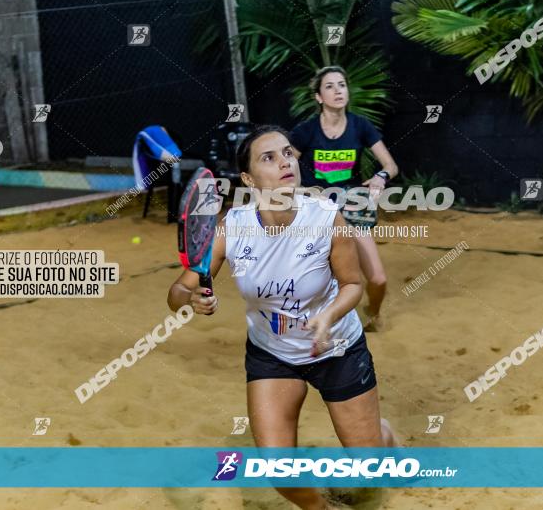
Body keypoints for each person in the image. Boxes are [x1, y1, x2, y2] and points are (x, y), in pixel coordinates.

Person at [167, 125, 398, 510]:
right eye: (269, 157)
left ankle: (383, 439)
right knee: (278, 470)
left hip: (337, 348)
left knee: (369, 464)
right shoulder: (232, 228)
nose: (284, 162)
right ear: (248, 178)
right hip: (272, 355)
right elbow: (176, 292)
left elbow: (353, 285)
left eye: (288, 153)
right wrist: (190, 301)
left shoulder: (327, 218)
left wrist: (327, 317)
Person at [289, 66, 399, 331]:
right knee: (315, 281)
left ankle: (372, 313)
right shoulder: (306, 131)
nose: (338, 90)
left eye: (342, 84)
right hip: (316, 211)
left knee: (378, 279)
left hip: (351, 209)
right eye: (329, 86)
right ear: (318, 96)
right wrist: (298, 189)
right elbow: (286, 164)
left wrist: (380, 177)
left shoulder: (361, 125)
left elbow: (391, 165)